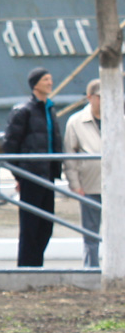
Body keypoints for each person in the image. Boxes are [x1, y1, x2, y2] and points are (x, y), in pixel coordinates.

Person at [2, 67, 64, 268]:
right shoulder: (24, 111)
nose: (50, 82)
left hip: (48, 176)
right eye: (46, 79)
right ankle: (27, 268)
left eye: (50, 78)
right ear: (35, 83)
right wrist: (19, 175)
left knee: (46, 226)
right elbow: (10, 146)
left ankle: (37, 266)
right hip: (31, 176)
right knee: (30, 226)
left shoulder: (50, 110)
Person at [63, 79, 103, 268]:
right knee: (91, 233)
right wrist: (74, 184)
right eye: (100, 97)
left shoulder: (120, 117)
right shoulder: (76, 122)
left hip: (118, 186)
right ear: (90, 98)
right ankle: (91, 269)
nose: (104, 101)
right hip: (90, 185)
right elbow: (70, 155)